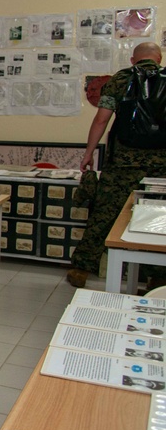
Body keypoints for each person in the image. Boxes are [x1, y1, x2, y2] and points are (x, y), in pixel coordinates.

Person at [67, 42, 165, 288]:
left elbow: (101, 120)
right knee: (156, 219)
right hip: (160, 166)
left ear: (133, 60)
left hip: (122, 163)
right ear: (159, 59)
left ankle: (81, 269)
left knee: (104, 214)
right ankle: (156, 277)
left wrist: (89, 153)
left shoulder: (120, 80)